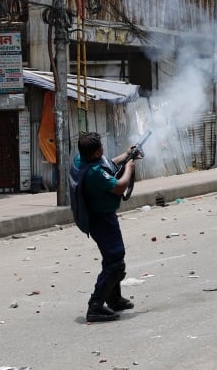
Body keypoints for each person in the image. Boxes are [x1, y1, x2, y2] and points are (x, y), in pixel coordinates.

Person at [72, 132, 140, 323]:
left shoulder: (80, 160)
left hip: (98, 217)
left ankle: (114, 299)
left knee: (112, 258)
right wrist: (129, 167)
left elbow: (107, 163)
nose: (103, 149)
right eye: (100, 147)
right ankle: (95, 306)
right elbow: (119, 186)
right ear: (94, 153)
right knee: (115, 261)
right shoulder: (95, 173)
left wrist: (127, 154)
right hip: (101, 220)